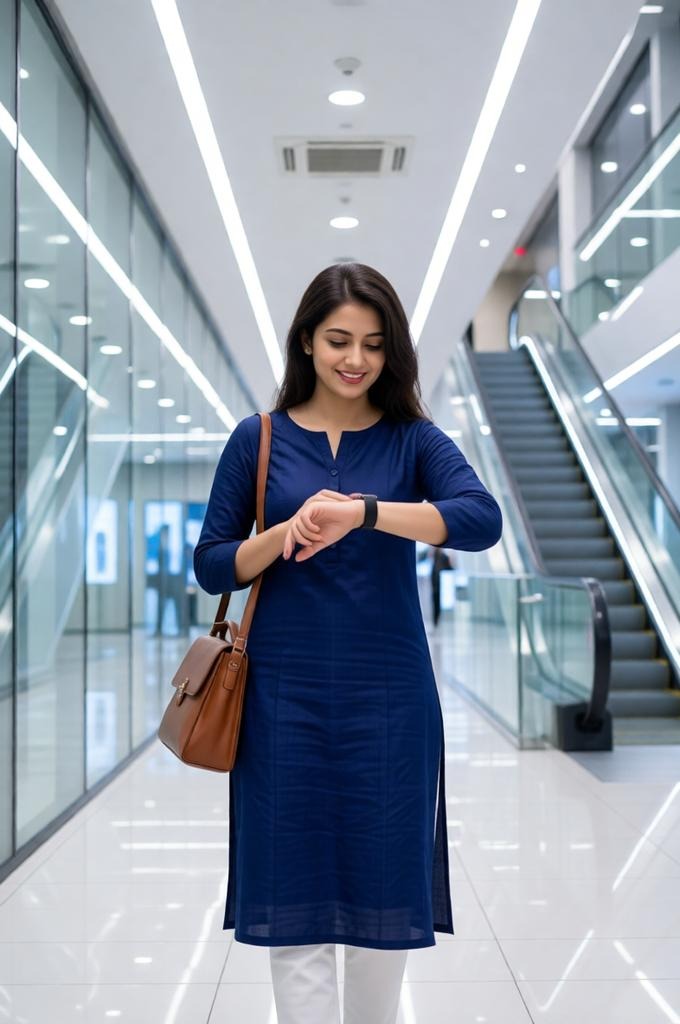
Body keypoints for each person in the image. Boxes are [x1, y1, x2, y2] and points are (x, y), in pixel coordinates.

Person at [193, 263, 502, 1023]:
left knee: (382, 900)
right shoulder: (257, 439)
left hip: (390, 700)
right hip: (280, 699)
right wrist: (285, 533)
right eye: (338, 340)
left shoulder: (413, 441)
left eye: (372, 343)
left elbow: (479, 518)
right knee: (291, 900)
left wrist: (367, 512)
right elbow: (211, 564)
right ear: (306, 341)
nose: (355, 359)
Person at [431, 546, 454, 627]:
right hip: (434, 586)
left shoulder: (444, 557)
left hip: (441, 587)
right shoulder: (433, 556)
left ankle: (438, 623)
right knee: (435, 605)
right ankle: (435, 623)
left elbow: (450, 569)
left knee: (439, 606)